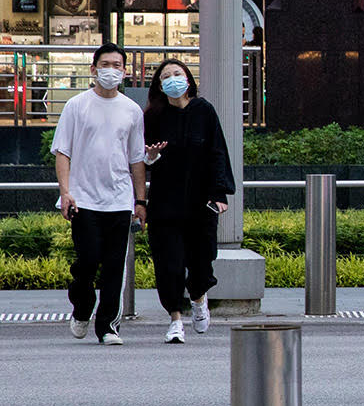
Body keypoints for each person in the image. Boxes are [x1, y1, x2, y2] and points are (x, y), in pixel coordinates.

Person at [52, 43, 148, 345]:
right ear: (93, 69)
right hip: (83, 199)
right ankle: (82, 308)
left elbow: (136, 160)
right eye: (105, 64)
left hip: (119, 200)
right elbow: (62, 152)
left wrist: (140, 201)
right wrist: (65, 192)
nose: (111, 70)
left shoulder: (132, 111)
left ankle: (107, 326)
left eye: (117, 65)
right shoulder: (76, 105)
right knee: (88, 261)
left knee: (114, 267)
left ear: (124, 71)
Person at [142, 60, 234, 343]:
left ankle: (198, 297)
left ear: (188, 79)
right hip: (165, 202)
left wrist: (219, 193)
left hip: (200, 201)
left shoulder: (203, 110)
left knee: (202, 260)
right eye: (166, 76)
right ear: (159, 84)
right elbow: (141, 158)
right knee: (168, 262)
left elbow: (217, 151)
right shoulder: (154, 116)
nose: (172, 79)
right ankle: (175, 320)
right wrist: (151, 157)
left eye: (177, 74)